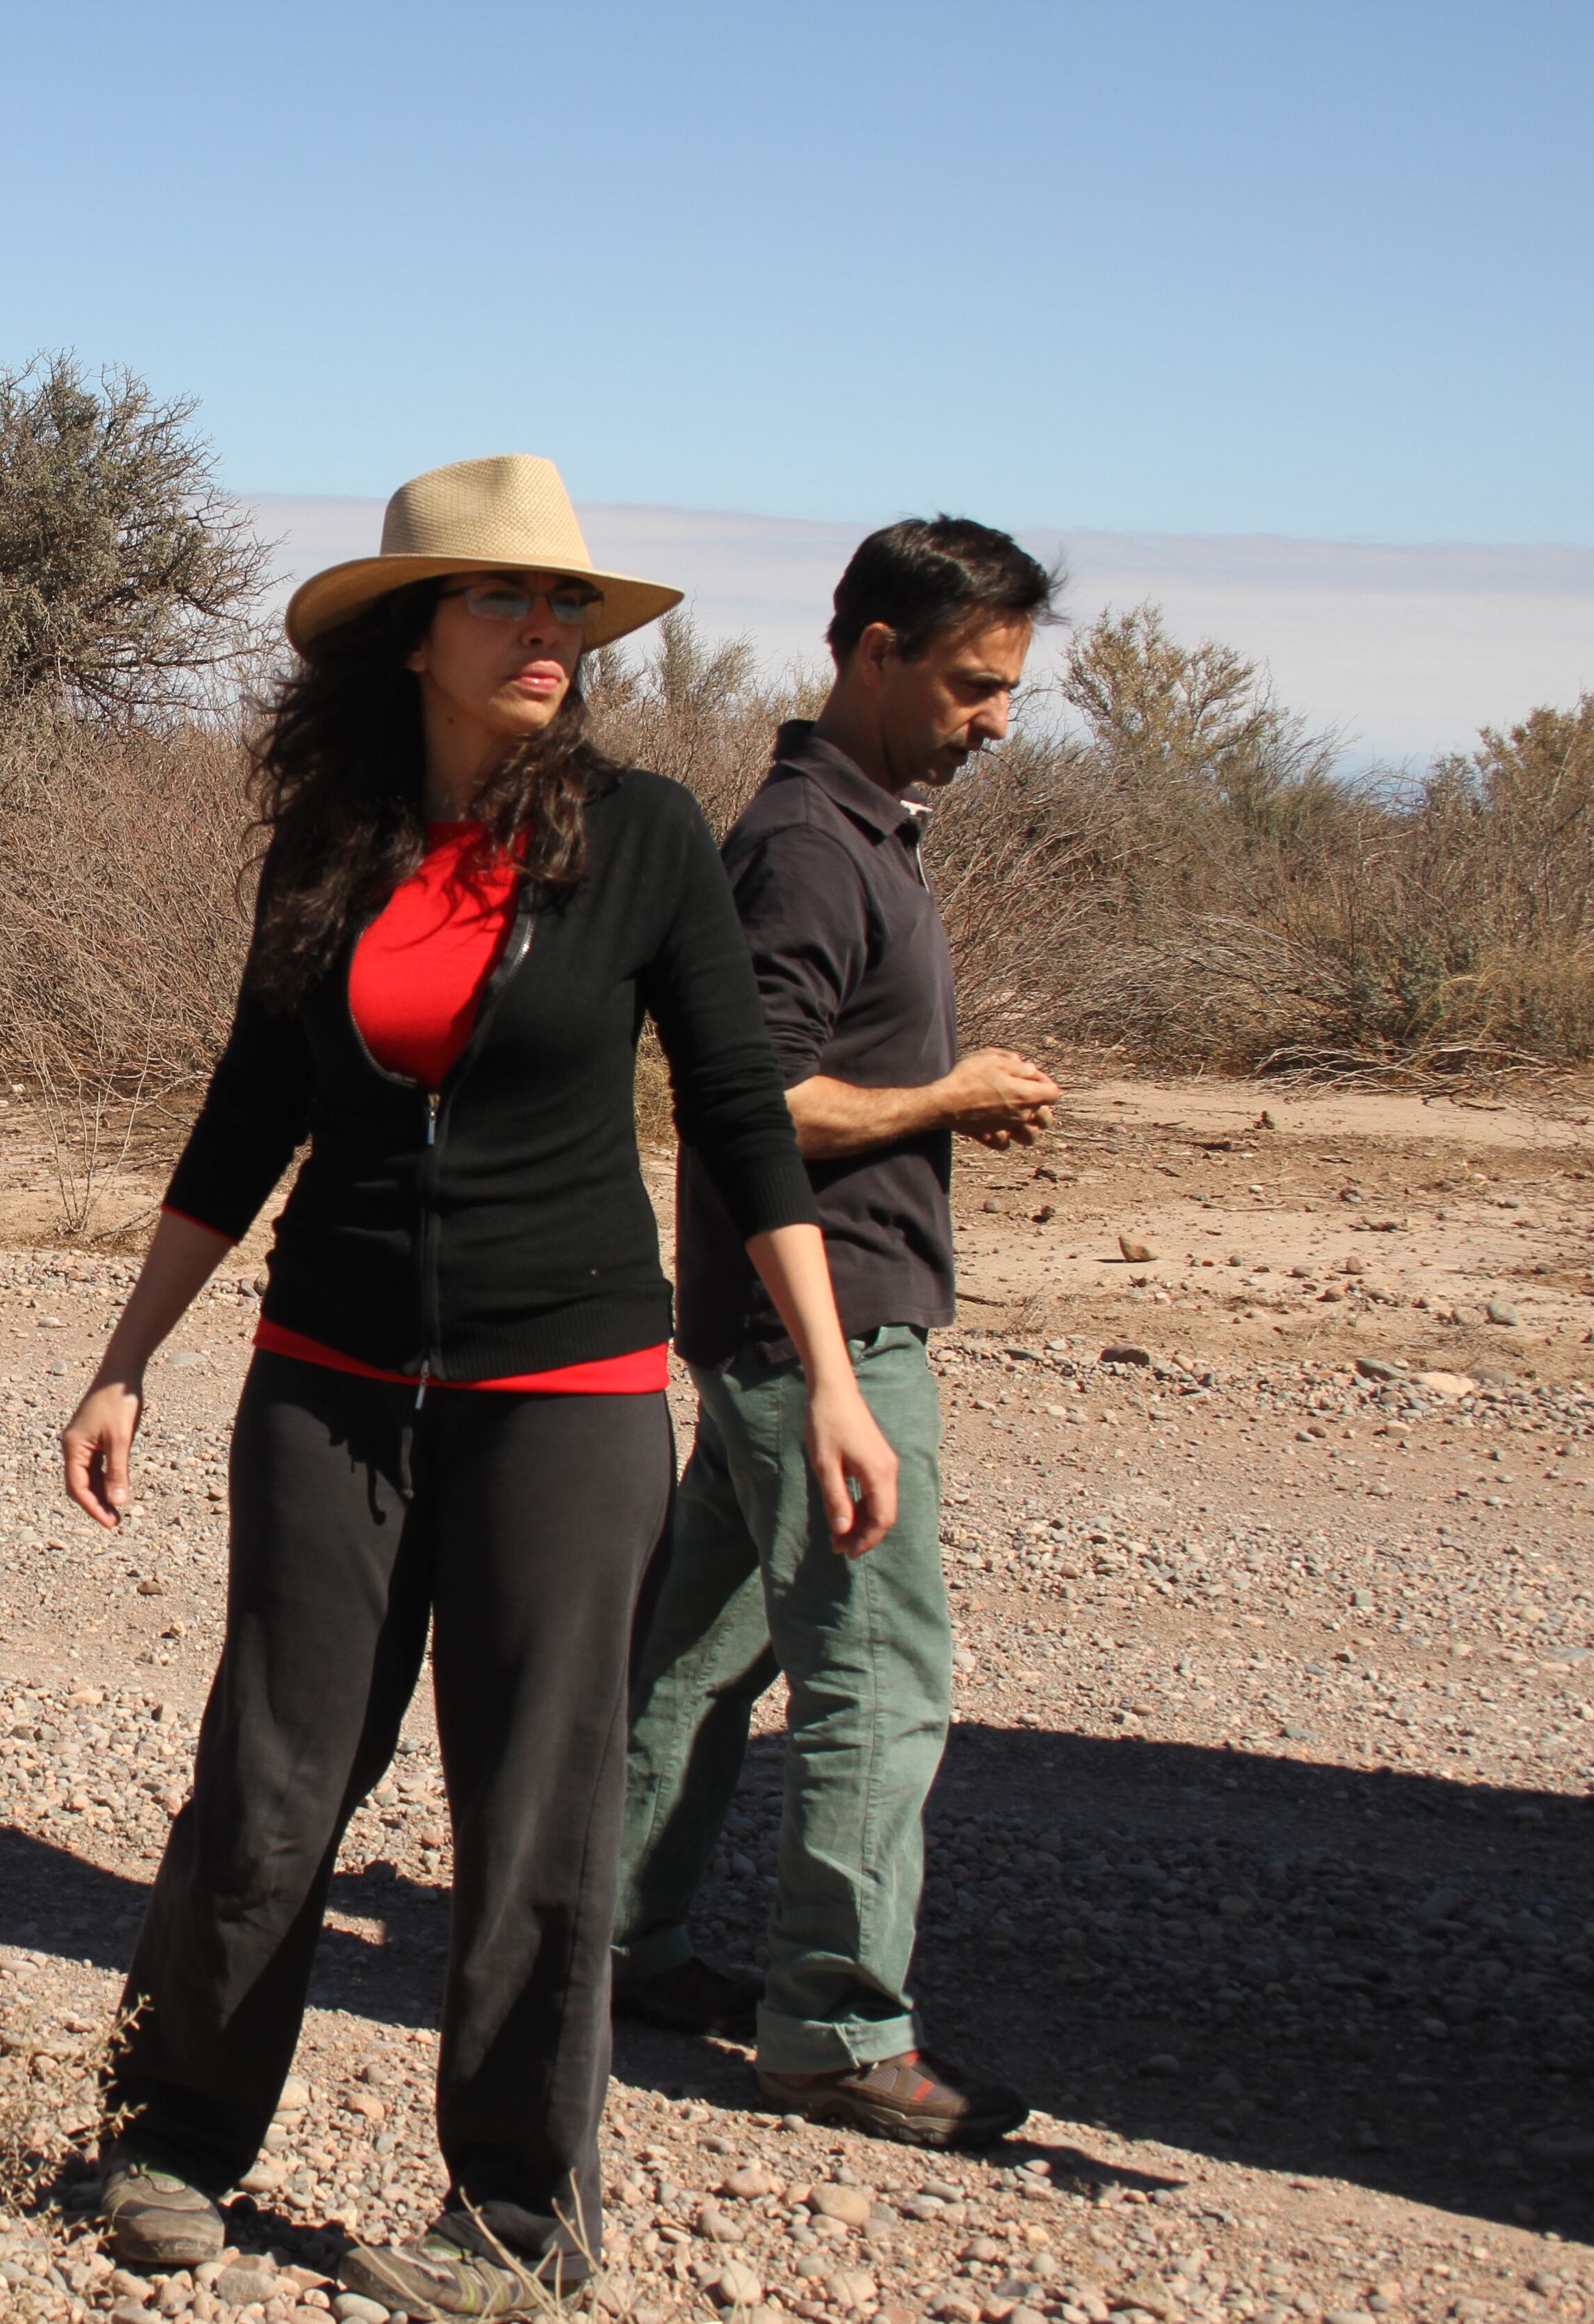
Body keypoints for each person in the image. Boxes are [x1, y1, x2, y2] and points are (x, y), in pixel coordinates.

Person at [58, 455, 900, 2316]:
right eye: (508, 601)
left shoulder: (650, 835)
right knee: (269, 1779)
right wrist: (127, 1356)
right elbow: (248, 1114)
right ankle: (172, 2136)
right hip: (329, 1374)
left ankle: (520, 2215)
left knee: (536, 1806)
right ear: (415, 634)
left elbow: (746, 1125)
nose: (550, 633)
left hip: (568, 1390)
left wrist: (831, 1380)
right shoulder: (336, 845)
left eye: (569, 608)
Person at [614, 518, 1063, 2147]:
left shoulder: (864, 826)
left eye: (1005, 687)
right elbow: (760, 1102)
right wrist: (948, 1093)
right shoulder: (808, 842)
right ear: (871, 649)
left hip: (771, 1328)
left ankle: (606, 1941)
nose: (995, 719)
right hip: (825, 1338)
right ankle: (834, 2029)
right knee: (878, 1678)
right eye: (970, 684)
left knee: (695, 1655)